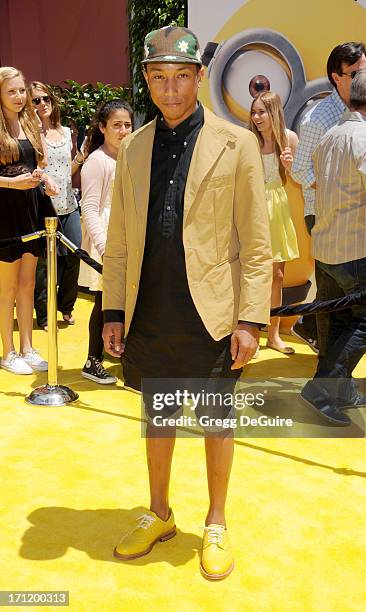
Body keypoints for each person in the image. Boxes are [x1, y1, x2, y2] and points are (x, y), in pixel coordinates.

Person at [102, 26, 272, 580]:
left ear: (198, 77)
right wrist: (111, 311)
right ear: (147, 80)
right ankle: (159, 512)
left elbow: (255, 241)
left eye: (180, 76)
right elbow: (121, 241)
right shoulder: (133, 147)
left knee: (216, 421)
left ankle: (216, 520)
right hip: (150, 308)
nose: (169, 88)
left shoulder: (237, 143)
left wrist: (251, 319)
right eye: (158, 77)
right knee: (158, 416)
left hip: (215, 311)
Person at [300, 66, 366, 427]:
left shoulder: (332, 133)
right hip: (356, 250)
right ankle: (321, 390)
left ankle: (341, 390)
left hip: (326, 248)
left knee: (337, 324)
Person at [291, 42, 366, 353]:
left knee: (336, 290)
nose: (362, 79)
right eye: (355, 74)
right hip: (324, 215)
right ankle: (329, 363)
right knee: (349, 293)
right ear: (336, 77)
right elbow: (299, 169)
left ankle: (316, 337)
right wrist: (331, 193)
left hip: (359, 215)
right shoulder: (318, 119)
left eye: (365, 71)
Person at [0, 67, 58, 375]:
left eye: (22, 90)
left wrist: (43, 178)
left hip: (31, 206)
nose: (20, 97)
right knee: (7, 287)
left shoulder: (30, 122)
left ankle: (27, 347)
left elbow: (38, 163)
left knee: (27, 283)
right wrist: (12, 184)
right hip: (5, 211)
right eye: (12, 91)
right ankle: (7, 352)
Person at [80, 100, 132, 384]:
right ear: (102, 128)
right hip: (107, 241)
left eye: (127, 124)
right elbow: (89, 208)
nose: (123, 131)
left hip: (128, 240)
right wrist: (103, 247)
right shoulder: (97, 161)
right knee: (104, 301)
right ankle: (92, 360)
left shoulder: (130, 157)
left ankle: (124, 353)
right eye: (116, 125)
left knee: (126, 300)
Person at [30, 81, 83, 331]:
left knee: (75, 255)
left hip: (69, 205)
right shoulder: (29, 135)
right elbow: (32, 171)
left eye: (45, 99)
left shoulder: (66, 131)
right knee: (43, 264)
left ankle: (66, 306)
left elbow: (67, 170)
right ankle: (43, 315)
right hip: (42, 206)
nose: (42, 104)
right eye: (36, 101)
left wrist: (80, 160)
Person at [250, 91, 299, 354]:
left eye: (262, 112)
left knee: (277, 275)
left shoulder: (289, 138)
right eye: (254, 112)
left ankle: (274, 335)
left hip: (277, 206)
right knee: (252, 275)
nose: (257, 117)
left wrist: (290, 166)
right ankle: (251, 336)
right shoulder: (248, 141)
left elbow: (297, 180)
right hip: (254, 209)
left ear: (274, 112)